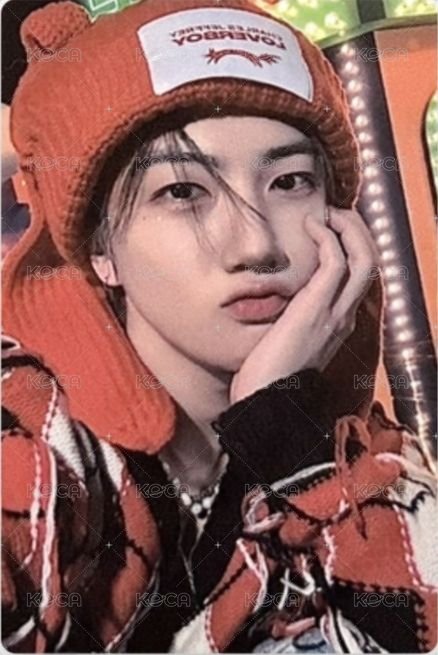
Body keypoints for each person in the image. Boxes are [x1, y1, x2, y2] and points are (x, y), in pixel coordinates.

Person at [2, 0, 436, 652]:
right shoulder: (32, 441)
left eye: (289, 181)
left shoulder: (367, 456)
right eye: (182, 191)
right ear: (100, 250)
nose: (256, 244)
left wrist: (283, 425)